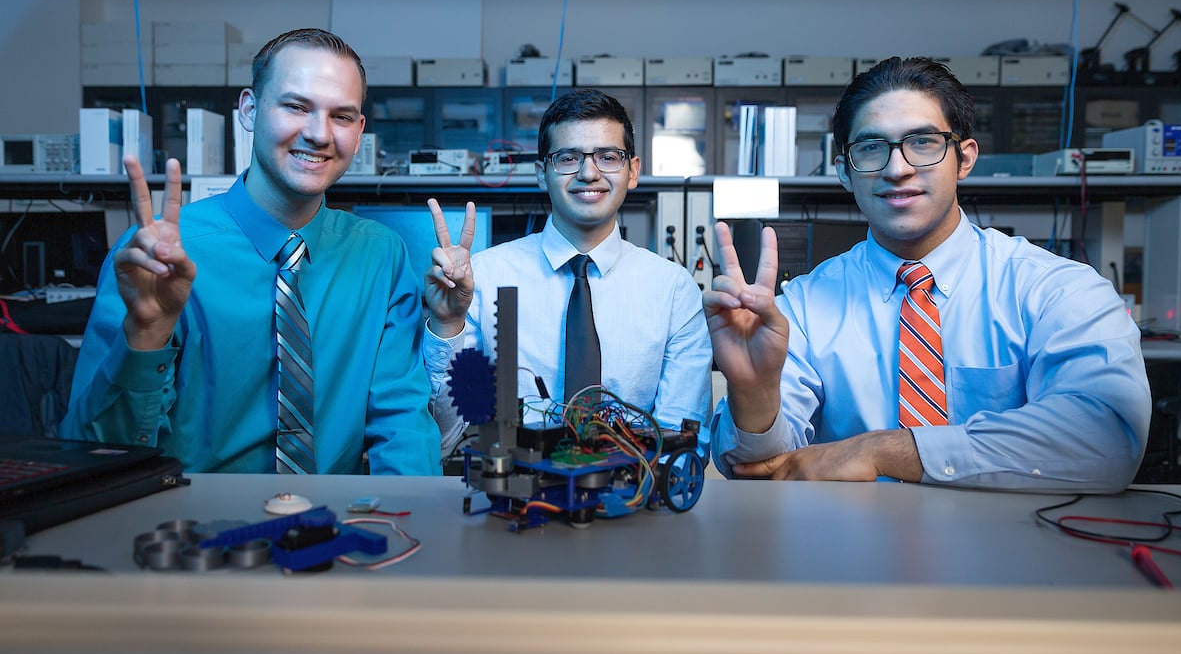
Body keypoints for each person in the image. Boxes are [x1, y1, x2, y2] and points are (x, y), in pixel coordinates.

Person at [704, 56, 1150, 493]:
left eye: (922, 142)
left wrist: (883, 450)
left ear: (965, 157)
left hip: (1017, 555)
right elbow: (755, 470)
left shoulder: (1057, 289)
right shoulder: (801, 306)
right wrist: (756, 393)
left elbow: (1108, 438)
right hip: (844, 554)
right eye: (871, 148)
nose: (897, 169)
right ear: (844, 172)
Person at [62, 28, 440, 475]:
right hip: (190, 529)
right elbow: (93, 454)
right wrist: (146, 338)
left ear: (358, 133)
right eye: (296, 106)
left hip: (333, 528)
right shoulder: (160, 255)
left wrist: (415, 526)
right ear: (249, 109)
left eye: (341, 116)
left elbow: (402, 426)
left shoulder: (381, 256)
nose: (319, 134)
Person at [423, 88, 712, 457]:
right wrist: (448, 325)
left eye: (608, 157)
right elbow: (449, 438)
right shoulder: (485, 277)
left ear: (632, 171)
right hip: (514, 499)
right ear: (542, 174)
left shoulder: (673, 290)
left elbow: (681, 446)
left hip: (632, 501)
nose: (589, 173)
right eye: (568, 158)